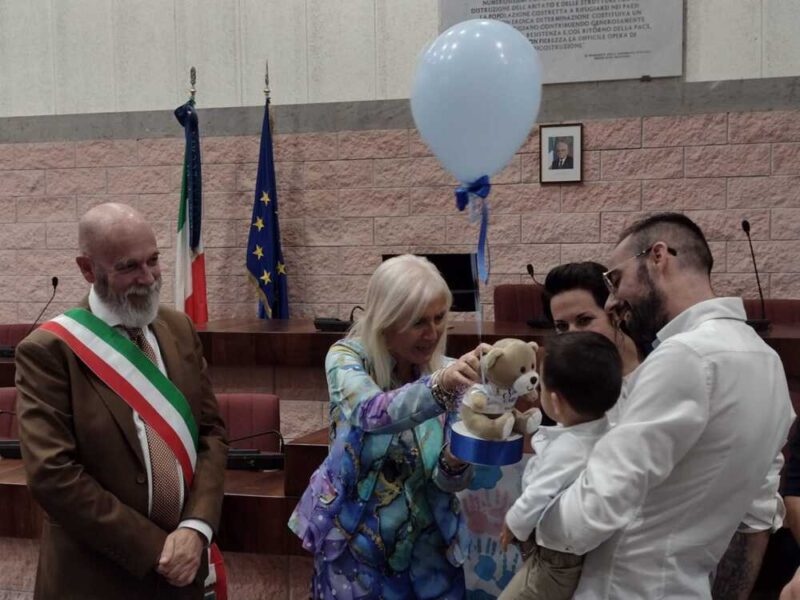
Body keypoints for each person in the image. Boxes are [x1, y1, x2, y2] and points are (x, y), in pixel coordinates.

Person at [534, 212, 794, 598]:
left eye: (616, 279)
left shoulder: (685, 356)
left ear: (658, 257)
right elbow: (754, 520)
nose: (612, 301)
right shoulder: (767, 361)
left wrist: (535, 511)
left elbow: (588, 514)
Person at [15, 203, 228, 599]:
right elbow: (53, 474)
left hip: (185, 571)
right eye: (129, 267)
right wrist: (157, 548)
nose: (147, 277)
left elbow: (211, 434)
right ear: (87, 268)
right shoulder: (49, 351)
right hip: (95, 578)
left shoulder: (179, 328)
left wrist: (195, 527)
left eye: (153, 260)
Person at [289, 254, 488, 599]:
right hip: (354, 550)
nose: (432, 333)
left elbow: (449, 481)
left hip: (430, 555)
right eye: (418, 322)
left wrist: (459, 456)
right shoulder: (346, 357)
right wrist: (441, 386)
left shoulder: (448, 371)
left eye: (440, 317)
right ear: (386, 320)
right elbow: (371, 412)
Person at [498, 331, 622, 600]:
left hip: (554, 561)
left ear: (555, 401)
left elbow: (539, 492)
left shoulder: (568, 448)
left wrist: (512, 523)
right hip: (567, 555)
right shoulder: (607, 430)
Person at [542, 261, 639, 422]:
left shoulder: (658, 365)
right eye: (562, 326)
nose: (572, 334)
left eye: (584, 320)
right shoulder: (561, 378)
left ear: (615, 312)